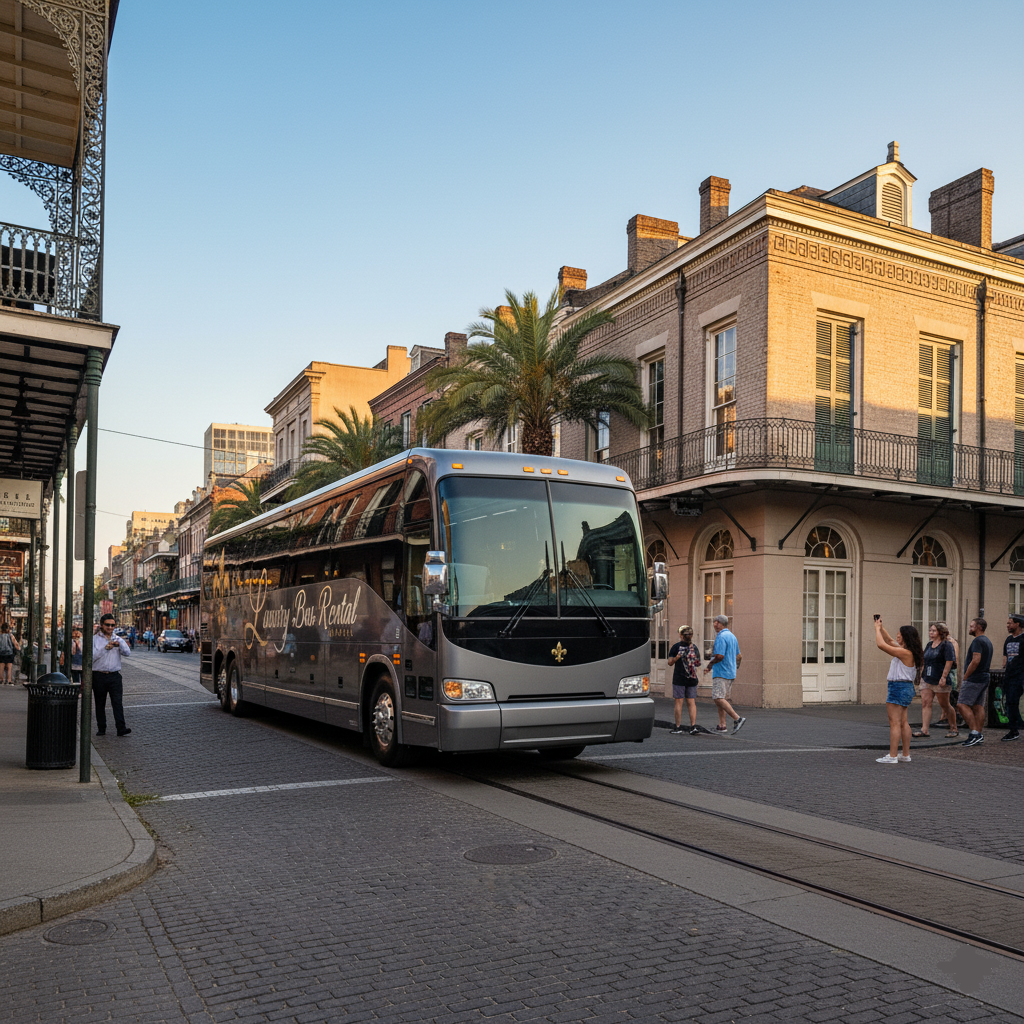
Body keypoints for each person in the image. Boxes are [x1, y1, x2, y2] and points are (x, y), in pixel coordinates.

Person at [873, 617, 923, 763]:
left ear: (906, 636)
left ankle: (892, 756)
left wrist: (876, 630)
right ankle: (905, 754)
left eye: (900, 634)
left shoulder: (905, 653)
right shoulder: (907, 651)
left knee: (894, 722)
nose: (897, 636)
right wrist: (881, 628)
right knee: (903, 722)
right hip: (906, 688)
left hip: (898, 687)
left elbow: (881, 645)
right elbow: (888, 641)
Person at [703, 614, 746, 733]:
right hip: (730, 672)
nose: (714, 624)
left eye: (716, 622)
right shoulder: (732, 636)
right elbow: (739, 656)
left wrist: (710, 665)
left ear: (719, 623)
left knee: (718, 697)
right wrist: (735, 667)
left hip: (721, 672)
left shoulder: (721, 637)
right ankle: (722, 725)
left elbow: (719, 656)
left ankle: (737, 718)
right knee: (720, 698)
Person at [914, 621, 956, 738]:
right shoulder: (929, 645)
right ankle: (924, 730)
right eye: (930, 630)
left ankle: (953, 728)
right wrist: (920, 675)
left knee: (945, 705)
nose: (931, 633)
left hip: (939, 678)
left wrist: (943, 677)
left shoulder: (946, 645)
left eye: (934, 631)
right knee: (926, 703)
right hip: (927, 678)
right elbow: (924, 660)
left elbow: (949, 661)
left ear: (940, 632)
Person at [92, 613, 131, 737]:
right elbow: (91, 657)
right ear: (102, 625)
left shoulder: (117, 638)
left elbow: (127, 653)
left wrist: (120, 645)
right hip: (99, 675)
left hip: (114, 676)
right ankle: (101, 728)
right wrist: (105, 648)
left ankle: (121, 728)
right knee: (100, 703)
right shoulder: (95, 639)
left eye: (112, 625)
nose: (110, 627)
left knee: (117, 702)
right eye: (107, 625)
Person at [959, 617, 993, 747]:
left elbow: (976, 660)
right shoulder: (987, 641)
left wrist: (966, 675)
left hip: (975, 678)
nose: (970, 628)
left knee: (962, 704)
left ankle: (974, 733)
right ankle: (978, 733)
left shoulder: (978, 641)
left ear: (979, 627)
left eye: (972, 626)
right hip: (984, 677)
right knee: (978, 706)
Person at [667, 625, 702, 735]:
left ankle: (678, 727)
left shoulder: (676, 647)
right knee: (691, 702)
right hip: (692, 678)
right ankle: (693, 726)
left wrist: (677, 657)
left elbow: (670, 663)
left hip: (679, 678)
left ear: (680, 635)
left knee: (679, 703)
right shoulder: (694, 647)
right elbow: (698, 663)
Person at [1001, 614, 1024, 742]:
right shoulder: (1008, 639)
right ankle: (1013, 730)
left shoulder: (1023, 639)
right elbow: (1005, 657)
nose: (1008, 625)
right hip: (1010, 676)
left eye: (1010, 623)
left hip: (1021, 675)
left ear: (1018, 624)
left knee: (1015, 702)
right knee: (1010, 702)